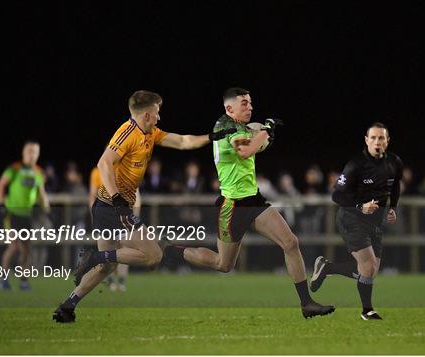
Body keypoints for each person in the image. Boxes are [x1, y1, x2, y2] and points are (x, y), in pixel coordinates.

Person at [53, 90, 235, 323]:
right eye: (157, 113)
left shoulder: (150, 133)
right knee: (153, 256)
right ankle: (96, 256)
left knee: (106, 267)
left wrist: (212, 136)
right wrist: (119, 200)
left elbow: (182, 141)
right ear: (147, 115)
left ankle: (67, 306)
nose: (159, 118)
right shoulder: (127, 133)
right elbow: (103, 163)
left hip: (108, 207)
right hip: (113, 207)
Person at [169, 87, 335, 319]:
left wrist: (264, 133)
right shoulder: (225, 126)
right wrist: (266, 130)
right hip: (232, 206)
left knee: (290, 242)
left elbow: (255, 143)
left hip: (253, 201)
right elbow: (247, 150)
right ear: (229, 108)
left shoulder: (238, 127)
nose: (250, 107)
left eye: (250, 103)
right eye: (244, 103)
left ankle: (306, 304)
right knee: (223, 264)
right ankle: (174, 252)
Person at [309, 122, 403, 320]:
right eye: (374, 138)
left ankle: (328, 268)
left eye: (381, 138)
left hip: (374, 223)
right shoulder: (356, 164)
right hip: (351, 218)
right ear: (366, 140)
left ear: (387, 141)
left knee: (371, 271)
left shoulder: (394, 162)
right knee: (367, 267)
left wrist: (392, 207)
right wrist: (361, 206)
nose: (377, 142)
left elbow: (395, 187)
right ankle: (367, 311)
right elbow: (337, 196)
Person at [0, 141, 50, 291]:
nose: (32, 154)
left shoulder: (38, 172)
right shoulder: (14, 169)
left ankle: (24, 281)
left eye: (35, 152)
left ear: (38, 154)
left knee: (26, 250)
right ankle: (3, 279)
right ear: (24, 153)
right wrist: (1, 206)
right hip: (12, 213)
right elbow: (1, 185)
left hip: (27, 215)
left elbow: (41, 192)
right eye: (29, 151)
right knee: (13, 247)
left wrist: (46, 207)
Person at [89, 166, 139, 292]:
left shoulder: (129, 170)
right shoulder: (98, 171)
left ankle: (121, 281)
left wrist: (134, 218)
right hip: (106, 214)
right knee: (108, 249)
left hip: (122, 215)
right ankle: (110, 280)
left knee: (123, 247)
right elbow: (93, 194)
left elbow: (136, 197)